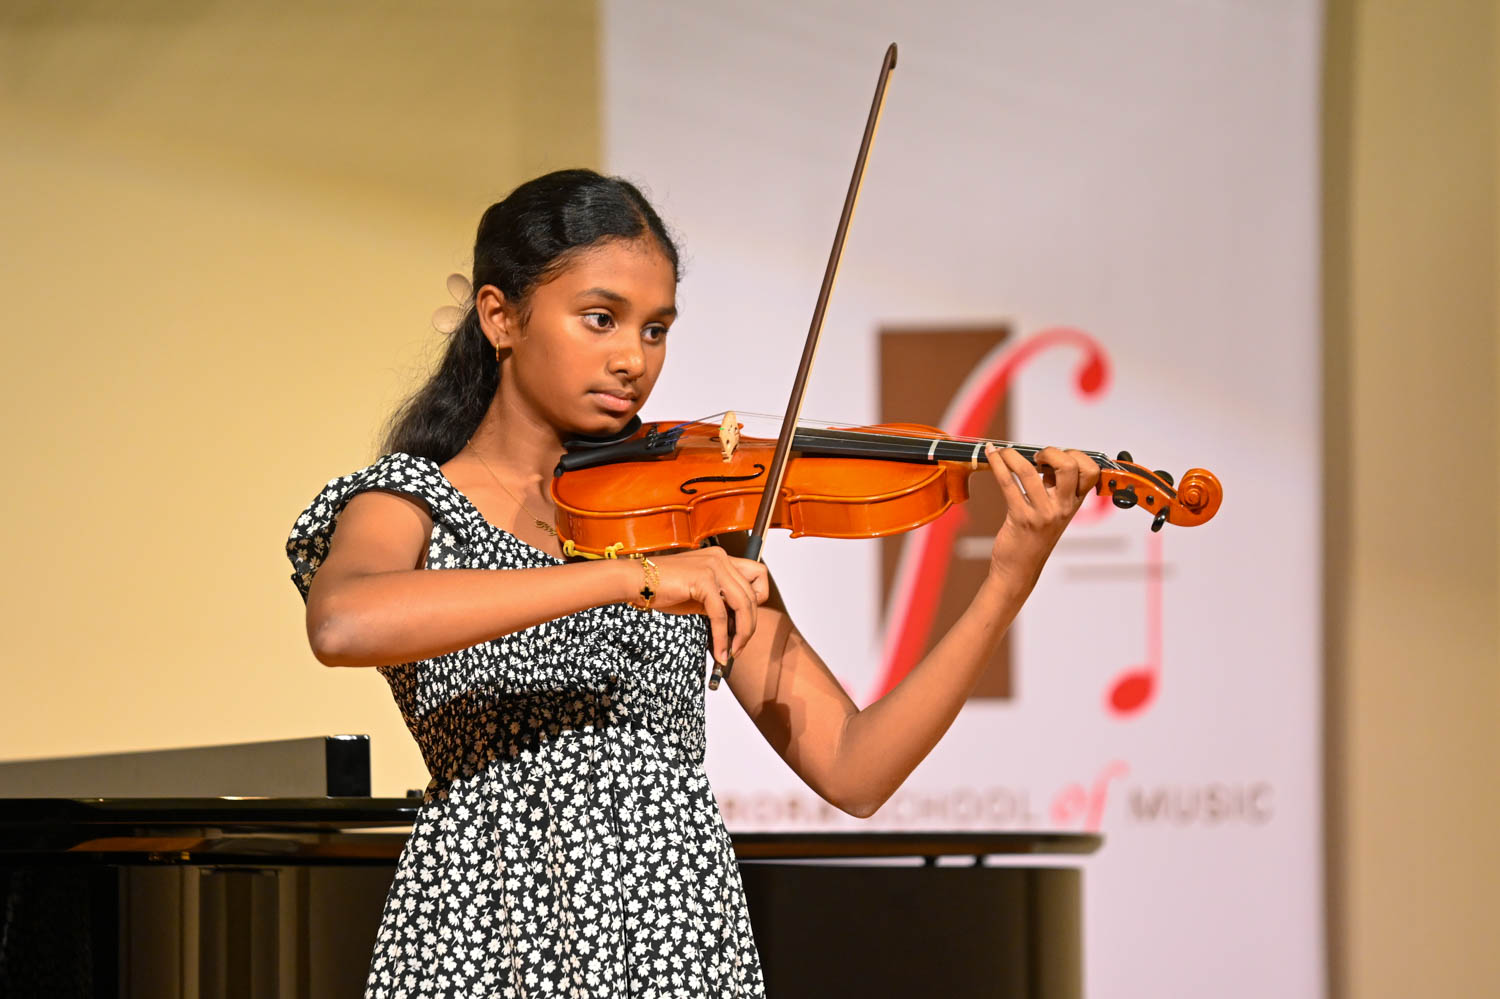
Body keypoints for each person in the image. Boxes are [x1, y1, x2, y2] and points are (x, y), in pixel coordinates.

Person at [287, 168, 1100, 998]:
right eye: (600, 318)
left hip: (675, 938)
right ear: (501, 317)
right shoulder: (412, 500)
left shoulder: (683, 520)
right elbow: (343, 622)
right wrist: (627, 579)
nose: (632, 359)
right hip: (483, 929)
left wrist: (1006, 582)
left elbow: (855, 770)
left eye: (656, 329)